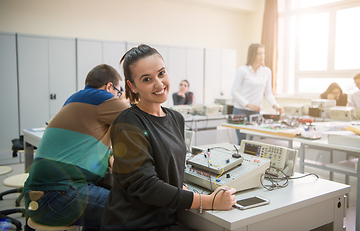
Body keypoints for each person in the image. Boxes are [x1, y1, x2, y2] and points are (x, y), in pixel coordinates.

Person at [101, 44, 236, 231]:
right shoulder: (128, 123)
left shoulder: (176, 118)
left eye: (161, 73)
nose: (159, 83)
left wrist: (181, 187)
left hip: (165, 218)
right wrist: (208, 201)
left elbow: (170, 167)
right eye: (147, 79)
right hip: (134, 224)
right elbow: (147, 186)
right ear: (132, 86)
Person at [23, 64, 129, 230]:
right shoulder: (101, 97)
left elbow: (84, 146)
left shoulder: (74, 99)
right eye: (118, 92)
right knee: (132, 211)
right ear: (109, 86)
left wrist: (108, 157)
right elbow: (139, 121)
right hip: (57, 196)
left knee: (100, 221)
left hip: (39, 198)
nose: (118, 97)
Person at [231, 43, 283, 145]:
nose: (262, 56)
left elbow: (268, 93)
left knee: (252, 144)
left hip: (255, 112)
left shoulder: (267, 71)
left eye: (263, 53)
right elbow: (233, 92)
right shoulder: (243, 70)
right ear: (252, 55)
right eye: (259, 53)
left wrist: (276, 106)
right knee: (242, 142)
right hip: (240, 111)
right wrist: (249, 104)